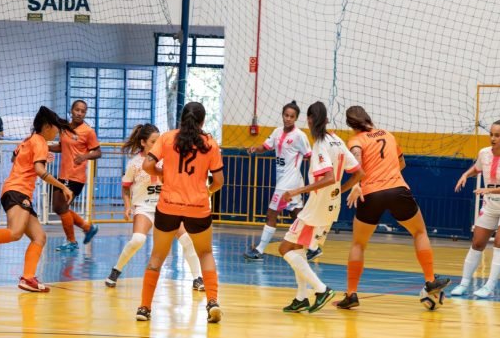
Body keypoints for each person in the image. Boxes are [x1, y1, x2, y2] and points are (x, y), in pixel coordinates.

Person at [336, 105, 450, 310]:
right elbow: (402, 164)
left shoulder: (355, 141)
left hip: (371, 194)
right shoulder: (388, 135)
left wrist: (354, 185)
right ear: (368, 118)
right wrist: (387, 173)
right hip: (397, 190)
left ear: (350, 124)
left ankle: (351, 294)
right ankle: (430, 280)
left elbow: (357, 164)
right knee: (419, 232)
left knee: (358, 244)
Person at [0, 106, 75, 292]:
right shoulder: (39, 141)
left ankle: (28, 278)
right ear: (47, 126)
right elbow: (40, 171)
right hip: (18, 191)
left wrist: (37, 156)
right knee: (15, 233)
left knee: (39, 237)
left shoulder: (28, 140)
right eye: (56, 128)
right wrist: (63, 187)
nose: (57, 132)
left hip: (15, 191)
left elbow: (14, 158)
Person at [136, 102, 224, 323]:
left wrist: (162, 173)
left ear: (181, 118)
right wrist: (207, 191)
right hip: (198, 207)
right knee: (205, 253)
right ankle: (212, 302)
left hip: (168, 205)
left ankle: (144, 308)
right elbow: (219, 181)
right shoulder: (210, 144)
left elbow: (146, 165)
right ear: (202, 121)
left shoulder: (167, 138)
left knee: (157, 256)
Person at [277, 101, 364, 313]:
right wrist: (340, 191)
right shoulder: (337, 140)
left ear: (309, 120)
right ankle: (301, 298)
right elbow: (359, 173)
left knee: (285, 248)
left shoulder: (320, 144)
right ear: (325, 120)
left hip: (316, 209)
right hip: (331, 206)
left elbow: (328, 177)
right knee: (298, 249)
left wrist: (296, 191)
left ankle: (321, 289)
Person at [104, 123, 205, 291]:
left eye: (159, 141)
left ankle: (197, 278)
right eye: (153, 142)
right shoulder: (134, 164)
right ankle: (116, 270)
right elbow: (126, 187)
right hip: (144, 207)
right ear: (143, 142)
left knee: (187, 239)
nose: (157, 145)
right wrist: (127, 206)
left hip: (167, 207)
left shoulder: (168, 159)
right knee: (138, 239)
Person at [450, 118, 500, 298]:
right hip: (490, 207)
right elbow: (477, 168)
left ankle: (489, 287)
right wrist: (465, 174)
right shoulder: (484, 153)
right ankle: (464, 284)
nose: (493, 138)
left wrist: (487, 190)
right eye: (491, 134)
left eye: (497, 135)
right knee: (477, 244)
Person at [243, 101, 321, 262]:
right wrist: (255, 149)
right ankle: (314, 247)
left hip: (289, 183)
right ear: (282, 115)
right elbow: (265, 147)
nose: (288, 119)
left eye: (292, 116)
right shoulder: (277, 132)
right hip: (285, 181)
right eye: (286, 115)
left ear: (296, 118)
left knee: (271, 213)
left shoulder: (300, 136)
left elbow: (309, 156)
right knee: (297, 215)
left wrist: (316, 179)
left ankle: (259, 250)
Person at [52, 100, 101, 251]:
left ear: (85, 113)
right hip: (63, 174)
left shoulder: (88, 131)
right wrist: (44, 147)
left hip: (75, 176)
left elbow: (98, 152)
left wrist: (85, 156)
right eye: (77, 110)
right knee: (57, 207)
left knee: (62, 207)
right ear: (71, 110)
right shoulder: (64, 128)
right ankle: (88, 228)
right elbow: (62, 147)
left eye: (83, 111)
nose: (79, 113)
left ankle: (71, 241)